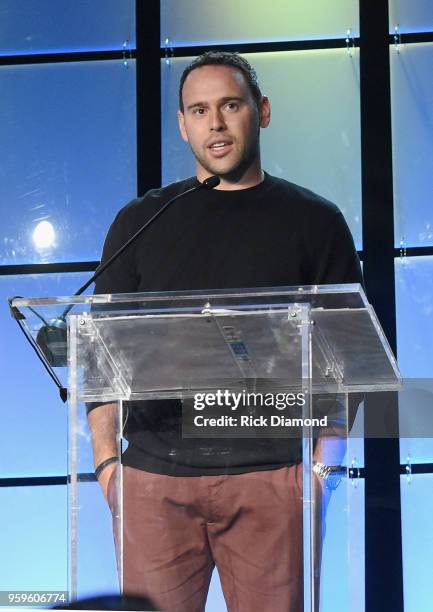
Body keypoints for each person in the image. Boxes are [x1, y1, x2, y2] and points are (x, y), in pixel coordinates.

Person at [87, 51, 362, 612]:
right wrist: (108, 468)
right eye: (199, 110)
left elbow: (349, 361)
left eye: (229, 105)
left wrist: (321, 471)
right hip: (155, 479)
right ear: (183, 124)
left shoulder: (315, 221)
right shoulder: (141, 220)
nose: (214, 123)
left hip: (274, 476)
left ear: (260, 112)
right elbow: (100, 355)